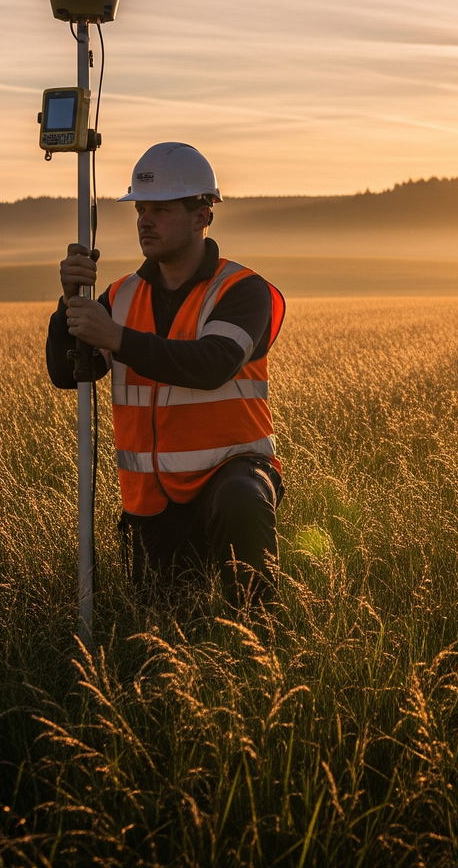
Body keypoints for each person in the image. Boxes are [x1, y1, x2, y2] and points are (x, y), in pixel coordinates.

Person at [46, 142, 286, 605]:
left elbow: (212, 364)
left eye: (161, 209)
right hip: (154, 504)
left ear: (202, 215)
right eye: (140, 208)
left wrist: (117, 338)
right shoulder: (119, 297)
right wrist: (68, 304)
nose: (145, 220)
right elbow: (65, 372)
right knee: (170, 627)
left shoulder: (242, 290)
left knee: (241, 502)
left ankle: (264, 639)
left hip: (231, 477)